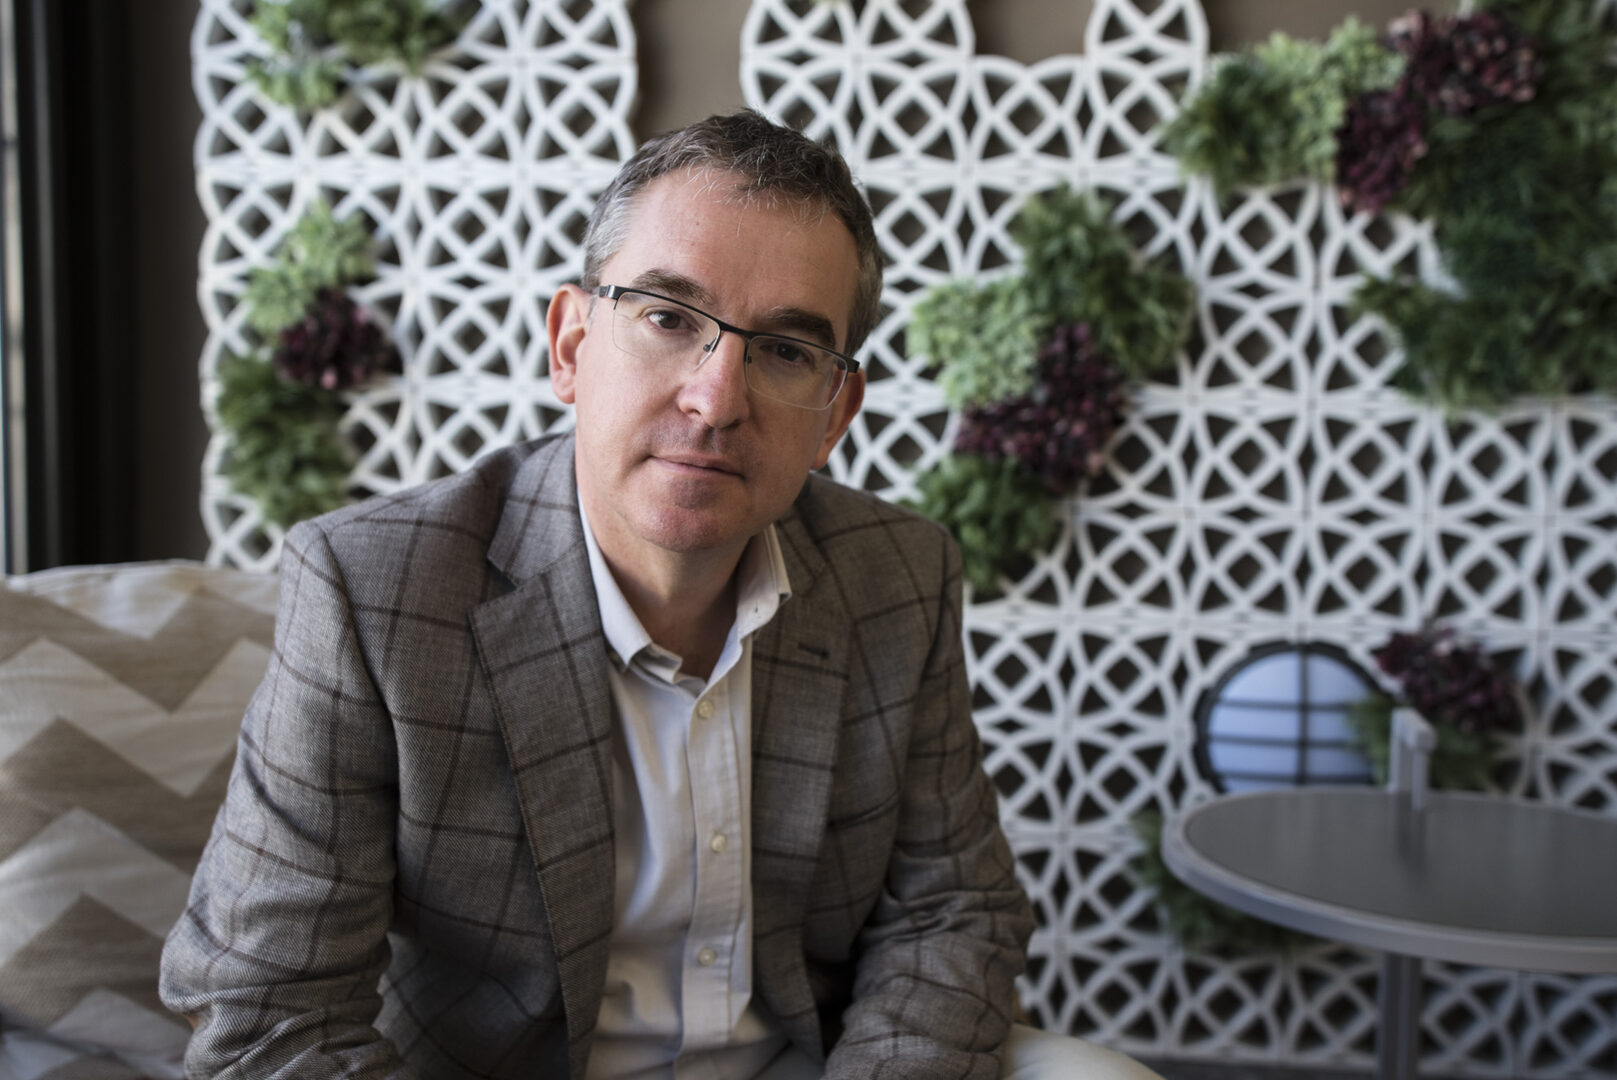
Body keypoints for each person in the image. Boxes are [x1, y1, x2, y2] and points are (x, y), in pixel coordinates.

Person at [161, 110, 1159, 1080]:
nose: (716, 399)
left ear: (834, 413)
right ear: (570, 343)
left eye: (785, 350)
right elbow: (267, 1010)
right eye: (668, 318)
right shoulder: (374, 591)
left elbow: (951, 910)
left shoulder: (899, 574)